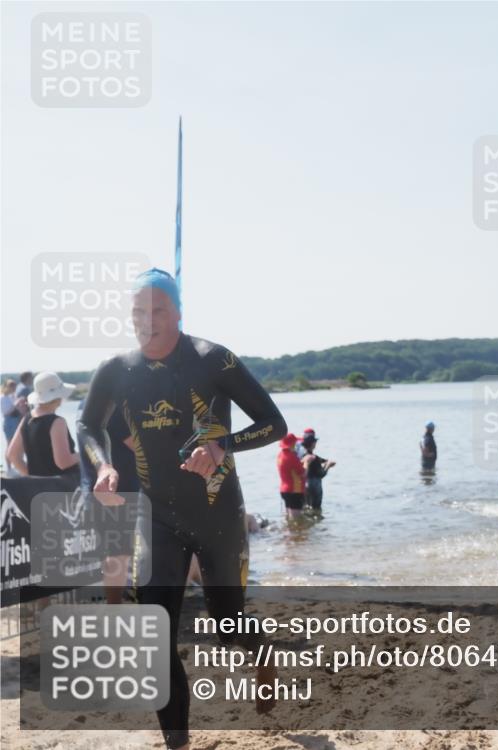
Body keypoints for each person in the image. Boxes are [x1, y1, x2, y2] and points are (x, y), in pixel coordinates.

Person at [77, 268, 286, 750]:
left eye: (157, 311)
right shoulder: (116, 368)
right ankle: (178, 743)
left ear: (177, 312)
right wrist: (105, 465)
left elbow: (274, 424)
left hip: (217, 513)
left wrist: (220, 447)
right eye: (138, 312)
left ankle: (261, 650)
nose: (147, 321)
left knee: (228, 627)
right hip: (157, 516)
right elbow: (87, 425)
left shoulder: (213, 359)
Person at [77, 398, 140, 605]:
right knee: (118, 553)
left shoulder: (84, 407)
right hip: (116, 490)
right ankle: (115, 606)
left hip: (97, 488)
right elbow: (140, 447)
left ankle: (117, 603)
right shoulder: (114, 410)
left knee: (117, 552)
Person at [6, 372, 79, 478]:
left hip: (38, 491)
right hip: (63, 489)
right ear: (58, 397)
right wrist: (83, 455)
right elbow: (63, 462)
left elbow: (12, 455)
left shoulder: (27, 419)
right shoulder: (57, 422)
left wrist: (33, 477)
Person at [300, 430, 334, 513]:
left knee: (306, 508)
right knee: (316, 509)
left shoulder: (301, 455)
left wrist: (325, 461)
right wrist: (328, 466)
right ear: (312, 444)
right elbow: (321, 474)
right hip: (314, 486)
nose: (316, 443)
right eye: (315, 442)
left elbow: (321, 459)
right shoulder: (313, 458)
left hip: (304, 486)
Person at [277, 433, 307, 518]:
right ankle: (296, 531)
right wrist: (307, 462)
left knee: (288, 517)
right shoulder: (291, 457)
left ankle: (287, 531)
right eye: (295, 443)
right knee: (296, 519)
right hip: (294, 491)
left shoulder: (280, 455)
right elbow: (303, 473)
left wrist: (300, 463)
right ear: (292, 444)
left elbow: (290, 469)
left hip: (284, 490)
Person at [2, 379, 19, 472]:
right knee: (9, 445)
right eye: (11, 386)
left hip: (16, 421)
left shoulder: (13, 396)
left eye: (14, 386)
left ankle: (16, 466)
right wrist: (16, 404)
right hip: (9, 422)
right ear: (6, 387)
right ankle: (9, 467)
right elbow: (6, 412)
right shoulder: (3, 398)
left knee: (16, 445)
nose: (13, 388)